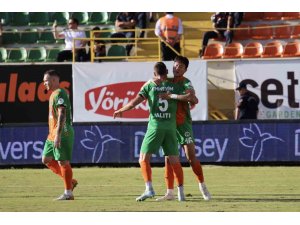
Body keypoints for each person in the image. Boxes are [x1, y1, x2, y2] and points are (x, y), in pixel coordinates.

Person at [113, 62, 195, 202]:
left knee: (143, 158)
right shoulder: (174, 85)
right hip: (171, 128)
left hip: (155, 126)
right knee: (175, 160)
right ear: (167, 71)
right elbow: (190, 98)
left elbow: (134, 102)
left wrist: (121, 110)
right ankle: (181, 193)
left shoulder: (150, 85)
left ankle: (149, 189)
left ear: (154, 73)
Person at [156, 56, 212, 201]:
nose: (177, 68)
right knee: (168, 159)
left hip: (183, 124)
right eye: (175, 65)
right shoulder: (165, 81)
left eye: (181, 66)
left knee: (190, 157)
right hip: (168, 125)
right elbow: (152, 86)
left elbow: (193, 98)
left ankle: (202, 185)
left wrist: (172, 96)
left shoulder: (186, 82)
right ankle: (170, 192)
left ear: (185, 69)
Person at [42, 70, 77, 200]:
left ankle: (68, 193)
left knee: (63, 161)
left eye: (46, 80)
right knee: (46, 159)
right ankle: (70, 181)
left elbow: (62, 113)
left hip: (62, 132)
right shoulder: (53, 95)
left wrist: (58, 134)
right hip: (53, 133)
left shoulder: (60, 93)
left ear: (54, 80)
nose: (44, 83)